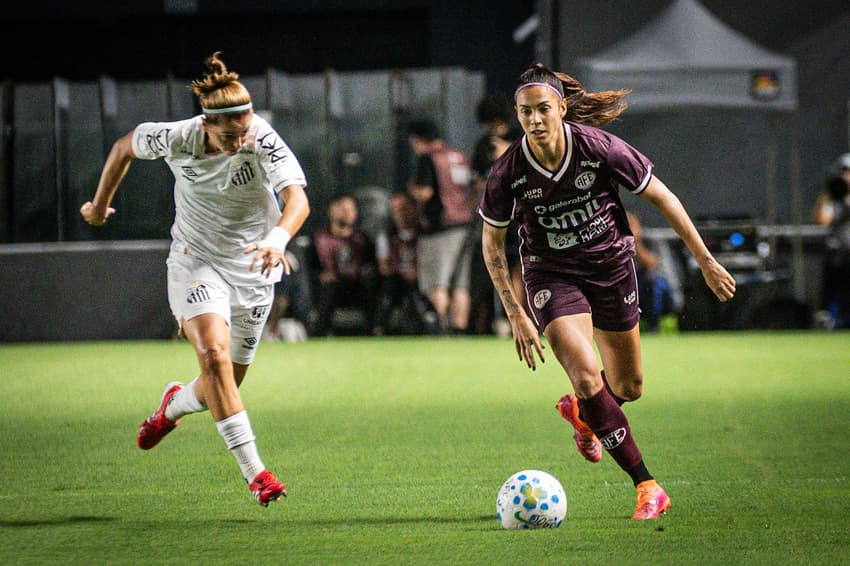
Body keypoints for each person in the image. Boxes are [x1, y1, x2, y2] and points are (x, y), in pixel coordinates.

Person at [478, 62, 736, 520]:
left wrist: (705, 260)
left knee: (628, 387)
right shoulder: (508, 172)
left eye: (542, 110)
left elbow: (663, 197)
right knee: (585, 374)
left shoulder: (597, 147)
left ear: (561, 107)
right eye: (524, 113)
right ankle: (648, 486)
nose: (534, 120)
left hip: (612, 268)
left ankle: (586, 414)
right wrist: (515, 312)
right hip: (551, 275)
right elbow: (491, 242)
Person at [80, 51, 310, 507]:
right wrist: (99, 206)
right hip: (196, 259)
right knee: (213, 356)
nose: (240, 140)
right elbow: (123, 147)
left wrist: (278, 239)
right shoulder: (175, 137)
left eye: (245, 130)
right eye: (229, 134)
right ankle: (257, 475)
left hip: (253, 266)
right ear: (206, 125)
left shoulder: (261, 137)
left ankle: (173, 406)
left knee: (221, 385)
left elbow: (297, 199)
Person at [407, 119, 476, 334]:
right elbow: (477, 187)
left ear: (418, 140)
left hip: (440, 228)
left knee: (437, 282)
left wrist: (411, 190)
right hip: (465, 224)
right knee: (461, 285)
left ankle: (439, 331)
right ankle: (459, 331)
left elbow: (425, 192)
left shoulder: (429, 157)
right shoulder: (460, 156)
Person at [308, 193, 378, 336]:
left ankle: (374, 331)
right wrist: (320, 277)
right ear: (331, 211)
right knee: (329, 290)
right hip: (328, 288)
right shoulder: (318, 239)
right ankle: (318, 335)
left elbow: (371, 265)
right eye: (342, 208)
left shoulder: (362, 239)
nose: (347, 213)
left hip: (356, 286)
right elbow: (309, 269)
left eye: (351, 209)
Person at [373, 191, 435, 335]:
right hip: (397, 281)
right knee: (389, 286)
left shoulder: (427, 235)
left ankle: (432, 323)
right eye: (395, 210)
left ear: (415, 208)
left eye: (404, 208)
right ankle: (381, 326)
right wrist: (402, 272)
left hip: (423, 280)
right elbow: (384, 267)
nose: (401, 214)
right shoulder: (386, 237)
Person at [811, 153, 850, 329]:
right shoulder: (832, 196)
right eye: (844, 172)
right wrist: (830, 197)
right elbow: (823, 220)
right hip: (837, 253)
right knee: (830, 291)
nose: (846, 176)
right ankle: (827, 322)